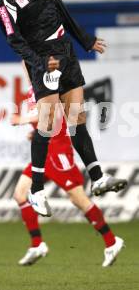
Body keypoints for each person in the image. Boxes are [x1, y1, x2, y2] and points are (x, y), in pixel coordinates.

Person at [0, 0, 127, 216]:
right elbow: (14, 41)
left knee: (77, 119)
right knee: (47, 125)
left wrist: (85, 40)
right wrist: (40, 64)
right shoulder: (3, 1)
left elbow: (59, 8)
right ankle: (37, 191)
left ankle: (98, 178)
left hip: (66, 51)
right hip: (44, 59)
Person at [11, 84, 124, 267]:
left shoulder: (49, 82)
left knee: (78, 200)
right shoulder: (35, 84)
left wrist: (22, 119)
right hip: (44, 154)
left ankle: (111, 241)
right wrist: (35, 133)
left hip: (58, 153)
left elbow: (53, 112)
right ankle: (37, 244)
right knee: (20, 194)